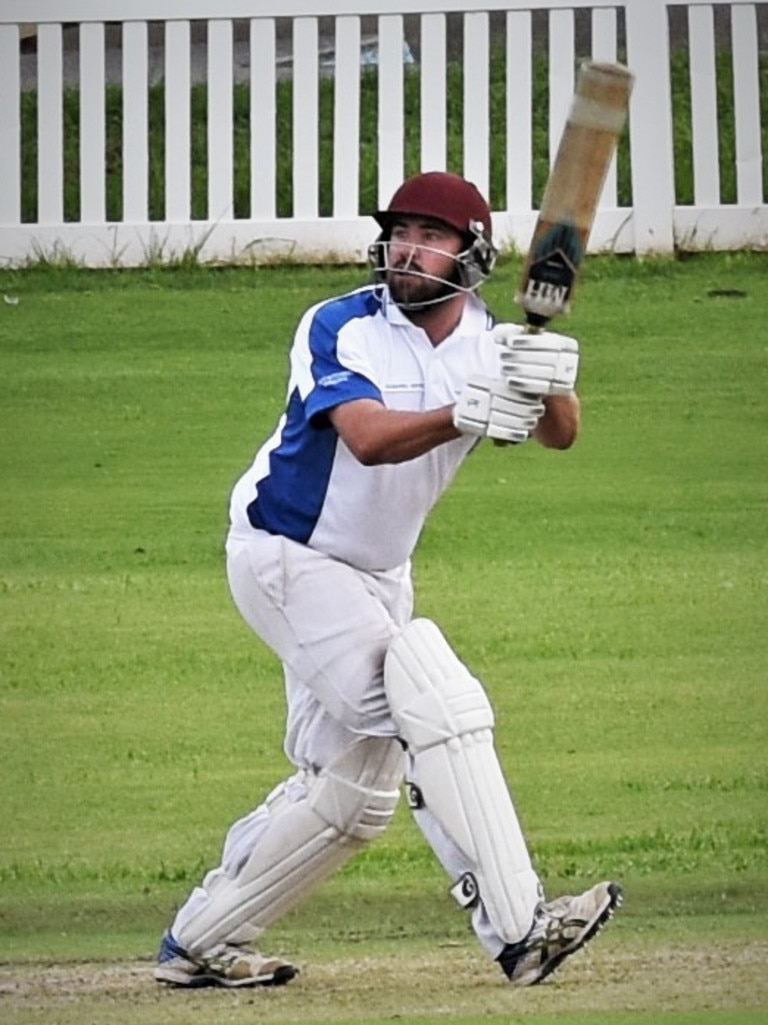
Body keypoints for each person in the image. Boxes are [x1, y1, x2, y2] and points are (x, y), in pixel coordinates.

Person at [153, 170, 621, 990]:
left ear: (470, 252)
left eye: (429, 234)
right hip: (287, 553)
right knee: (428, 698)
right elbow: (366, 438)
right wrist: (462, 413)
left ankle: (200, 940)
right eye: (399, 231)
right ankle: (521, 927)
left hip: (378, 571)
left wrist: (547, 374)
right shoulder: (339, 324)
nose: (406, 248)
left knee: (353, 793)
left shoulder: (488, 339)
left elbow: (562, 436)